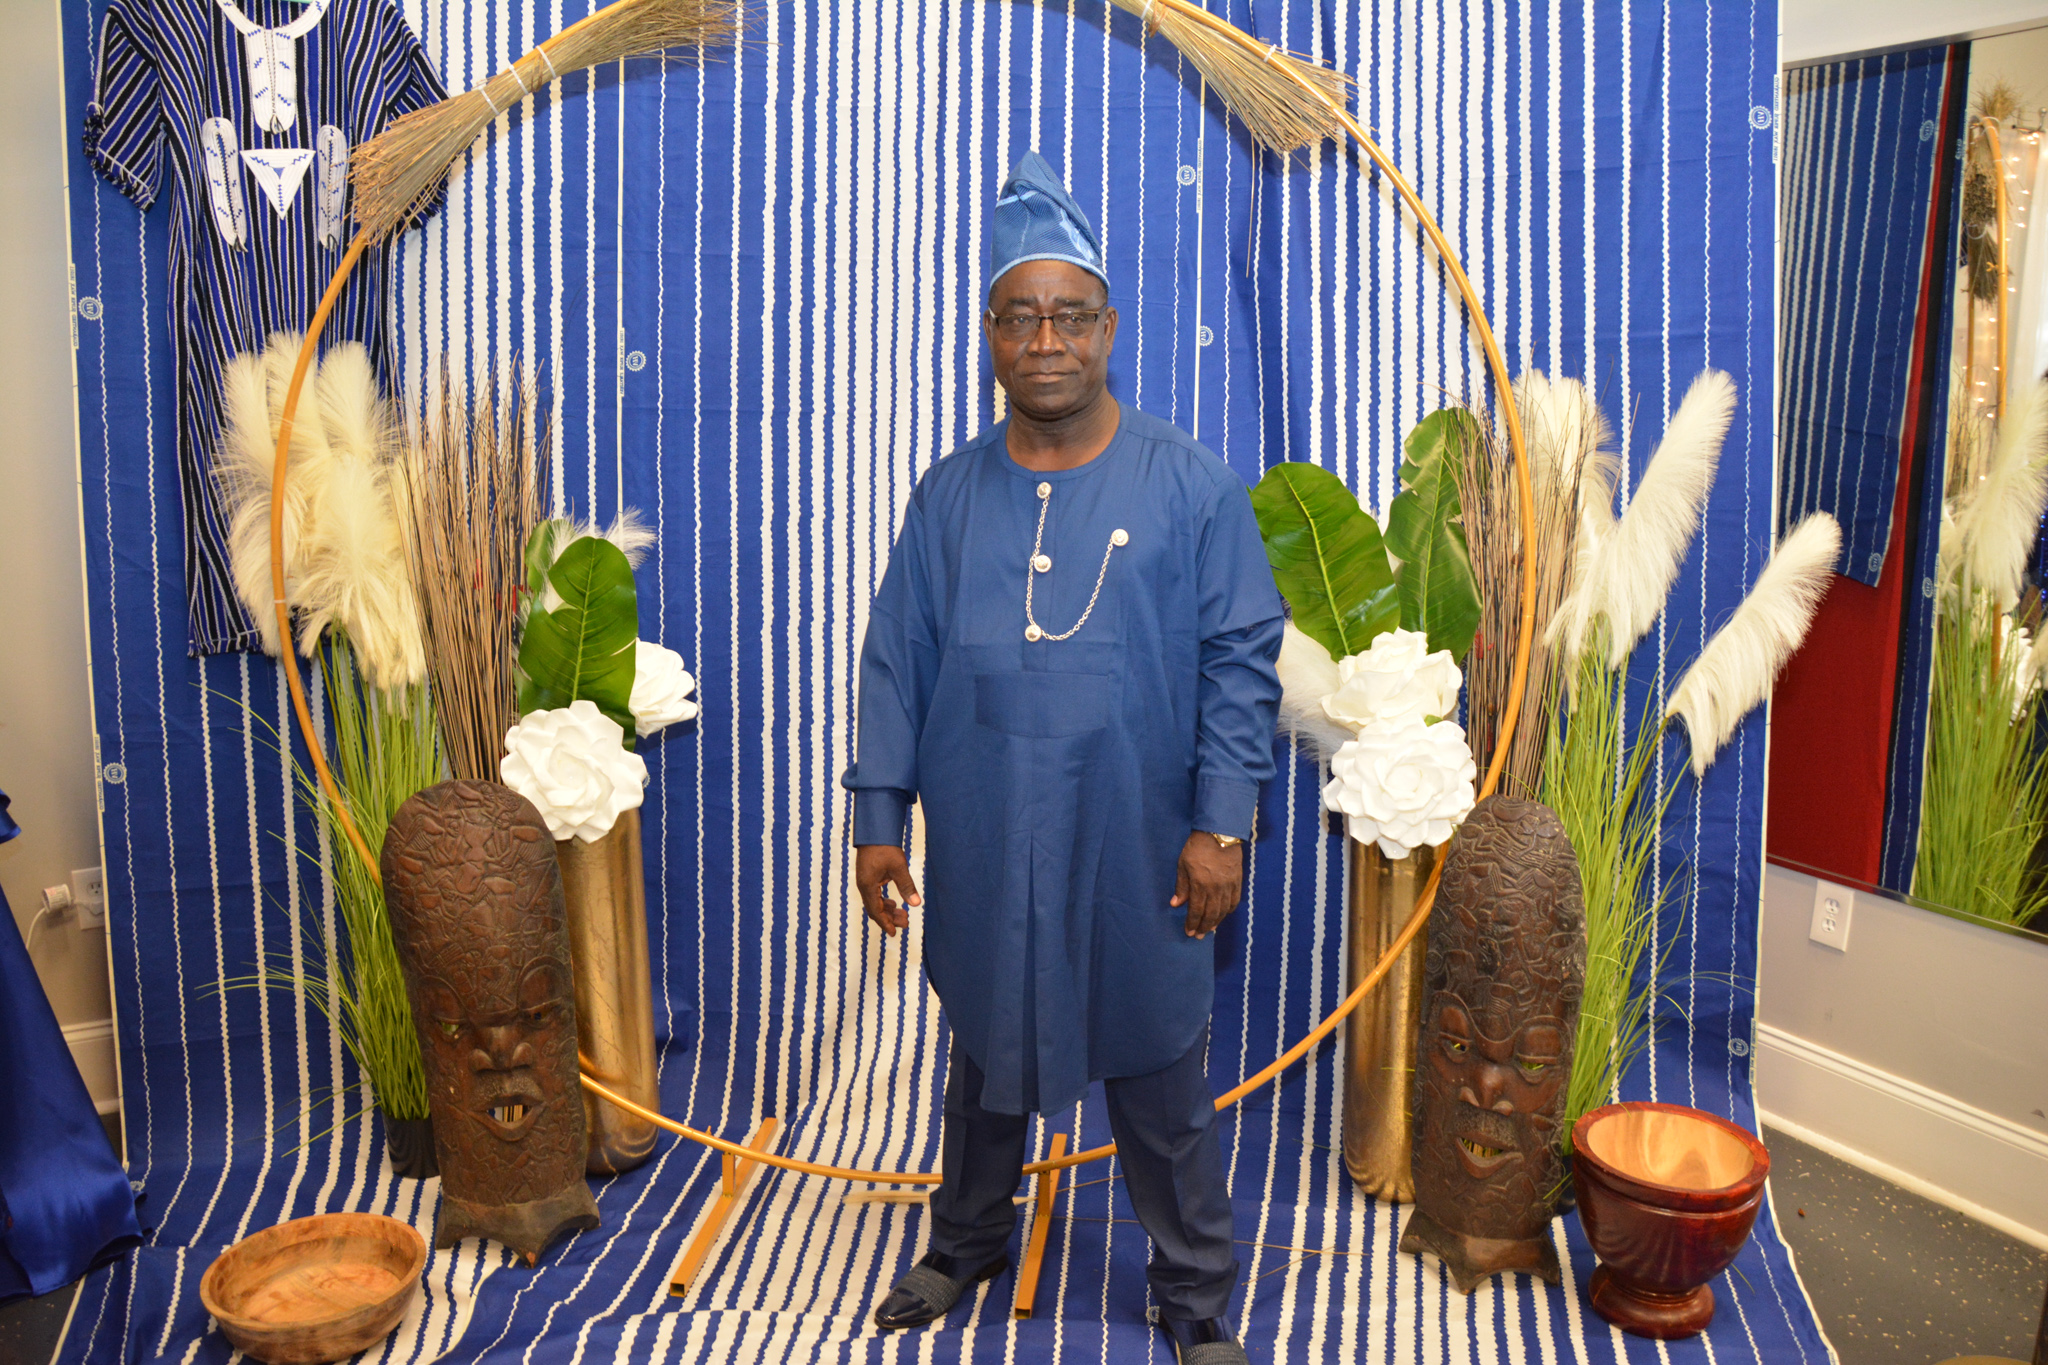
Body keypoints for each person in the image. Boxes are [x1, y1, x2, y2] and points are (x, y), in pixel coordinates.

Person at [842, 150, 1285, 1365]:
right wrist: (878, 819)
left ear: (1107, 329)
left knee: (1156, 1072)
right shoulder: (945, 497)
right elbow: (896, 659)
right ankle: (966, 1239)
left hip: (1137, 836)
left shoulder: (1191, 487)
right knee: (985, 1050)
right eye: (1020, 316)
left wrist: (1221, 824)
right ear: (990, 335)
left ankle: (1192, 1292)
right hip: (985, 827)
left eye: (1070, 315)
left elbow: (1241, 663)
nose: (1046, 340)